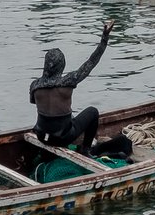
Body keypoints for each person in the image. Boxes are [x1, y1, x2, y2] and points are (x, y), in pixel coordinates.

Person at [30, 20, 112, 154]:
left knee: (62, 117)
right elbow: (91, 62)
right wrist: (105, 37)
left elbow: (34, 102)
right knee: (93, 111)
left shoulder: (35, 85)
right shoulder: (68, 82)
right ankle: (86, 149)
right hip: (62, 137)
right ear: (61, 66)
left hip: (42, 136)